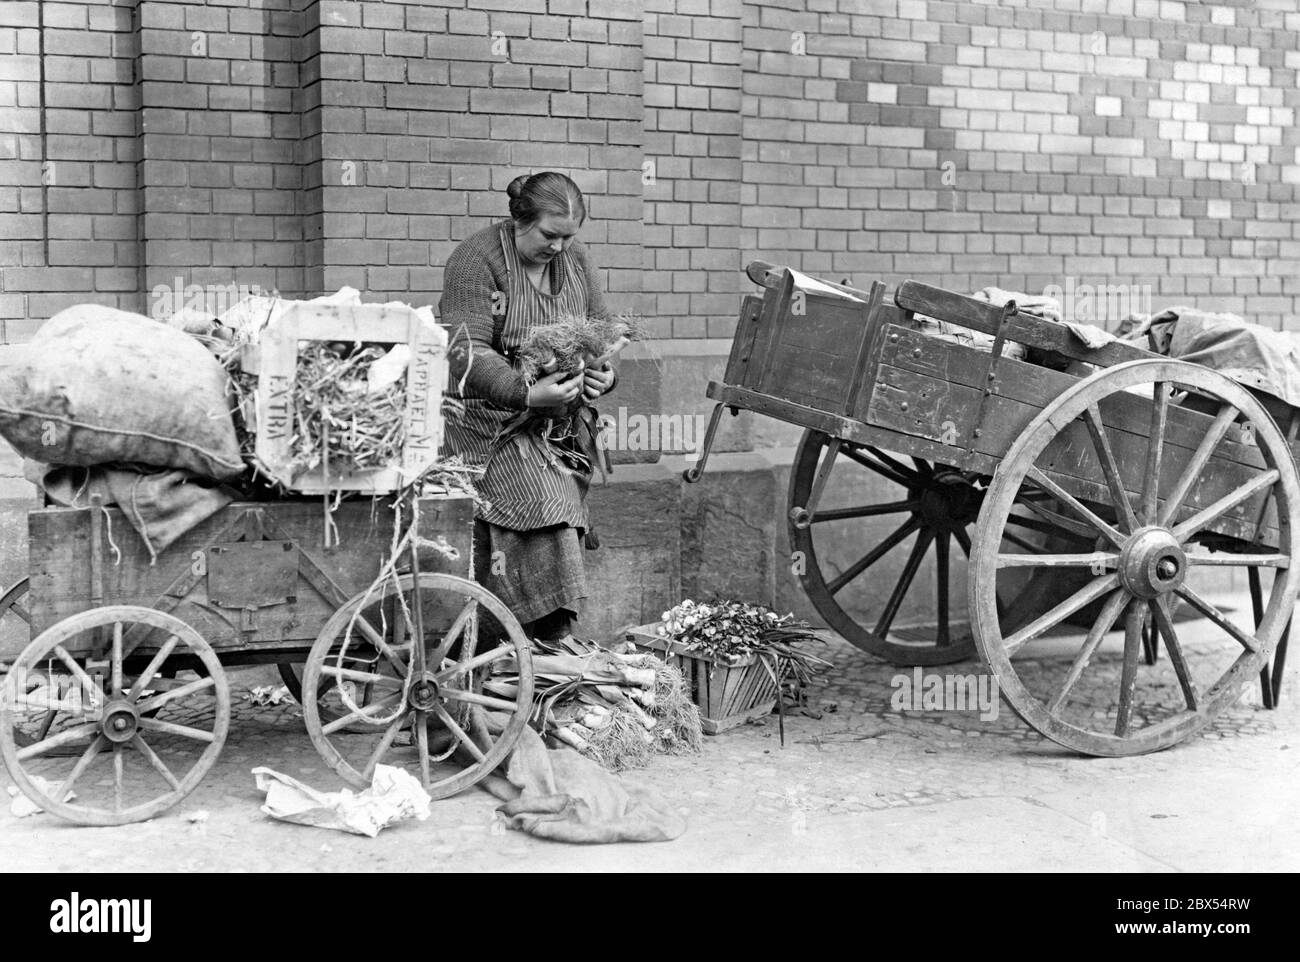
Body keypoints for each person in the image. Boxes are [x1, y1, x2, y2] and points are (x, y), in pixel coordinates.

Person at [439, 171, 617, 643]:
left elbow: (598, 334)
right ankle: (541, 640)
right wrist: (525, 394)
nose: (559, 247)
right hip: (485, 428)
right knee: (549, 507)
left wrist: (604, 374)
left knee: (555, 507)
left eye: (568, 236)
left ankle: (540, 644)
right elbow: (465, 351)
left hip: (553, 430)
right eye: (549, 235)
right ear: (519, 220)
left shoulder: (575, 260)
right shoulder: (474, 261)